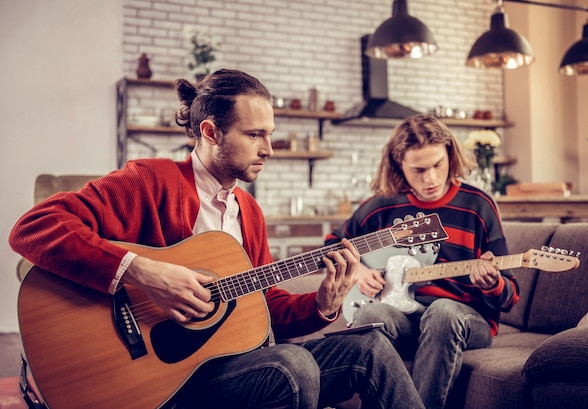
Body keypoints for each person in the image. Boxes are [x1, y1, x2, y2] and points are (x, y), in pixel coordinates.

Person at [9, 69, 425, 409]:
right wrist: (146, 273)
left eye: (270, 134)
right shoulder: (148, 182)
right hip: (162, 376)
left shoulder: (249, 212)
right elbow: (33, 227)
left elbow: (263, 306)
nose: (269, 149)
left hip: (231, 364)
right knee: (291, 365)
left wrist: (323, 305)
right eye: (255, 134)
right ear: (210, 132)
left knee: (371, 346)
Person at [325, 114, 520, 409]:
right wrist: (359, 273)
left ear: (450, 155)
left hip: (465, 319)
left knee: (442, 312)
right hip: (405, 320)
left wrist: (493, 283)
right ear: (398, 165)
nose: (430, 178)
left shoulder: (478, 204)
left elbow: (510, 296)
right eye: (419, 170)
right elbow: (331, 245)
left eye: (437, 165)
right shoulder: (381, 207)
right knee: (369, 315)